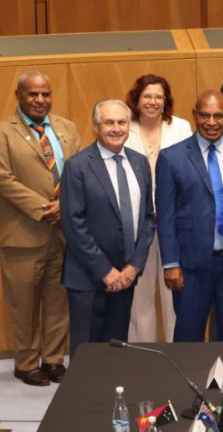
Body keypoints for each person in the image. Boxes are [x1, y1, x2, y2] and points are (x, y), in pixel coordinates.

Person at [0, 71, 78, 385]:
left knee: (58, 301)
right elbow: (4, 180)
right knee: (23, 304)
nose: (40, 100)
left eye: (45, 94)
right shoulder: (0, 132)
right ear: (19, 96)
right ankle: (25, 364)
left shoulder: (67, 128)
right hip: (23, 235)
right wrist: (46, 209)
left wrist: (65, 204)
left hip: (63, 233)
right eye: (33, 94)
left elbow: (79, 172)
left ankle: (53, 360)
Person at [155, 91, 223, 342]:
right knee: (189, 337)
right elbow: (166, 217)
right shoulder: (171, 157)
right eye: (205, 115)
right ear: (195, 115)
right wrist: (170, 264)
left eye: (218, 116)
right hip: (190, 266)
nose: (211, 122)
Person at [60, 100, 155, 353]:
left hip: (125, 277)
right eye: (109, 122)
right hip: (89, 278)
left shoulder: (139, 162)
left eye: (122, 122)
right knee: (87, 354)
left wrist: (134, 266)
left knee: (116, 352)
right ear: (96, 126)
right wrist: (105, 270)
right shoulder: (77, 166)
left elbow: (148, 218)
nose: (116, 128)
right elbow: (73, 224)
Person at [123, 74, 193, 342]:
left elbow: (188, 172)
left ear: (166, 101)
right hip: (137, 224)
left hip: (173, 223)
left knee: (175, 292)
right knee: (138, 297)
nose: (152, 102)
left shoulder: (181, 127)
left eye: (158, 97)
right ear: (137, 99)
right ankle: (143, 355)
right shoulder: (124, 126)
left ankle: (177, 353)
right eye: (147, 96)